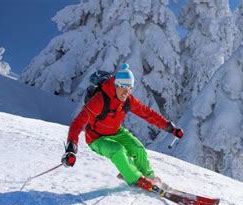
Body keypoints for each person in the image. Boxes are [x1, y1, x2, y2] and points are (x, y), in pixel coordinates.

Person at [61, 63, 183, 192]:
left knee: (137, 148)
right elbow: (78, 122)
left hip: (116, 132)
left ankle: (149, 176)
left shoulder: (128, 100)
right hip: (96, 138)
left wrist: (170, 128)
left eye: (129, 88)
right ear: (116, 85)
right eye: (123, 87)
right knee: (118, 150)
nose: (126, 92)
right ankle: (136, 179)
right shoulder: (100, 100)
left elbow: (147, 113)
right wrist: (71, 146)